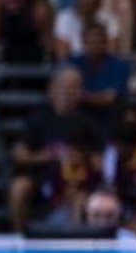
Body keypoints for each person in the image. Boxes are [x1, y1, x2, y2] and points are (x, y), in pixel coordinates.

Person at [8, 67, 103, 230]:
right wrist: (45, 156)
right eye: (63, 87)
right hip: (42, 175)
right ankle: (21, 237)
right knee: (18, 187)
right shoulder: (37, 118)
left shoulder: (88, 121)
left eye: (74, 87)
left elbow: (99, 159)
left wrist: (81, 157)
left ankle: (74, 242)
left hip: (75, 177)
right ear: (51, 89)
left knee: (78, 195)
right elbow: (19, 154)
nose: (67, 92)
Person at [68, 21, 132, 130]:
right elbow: (67, 93)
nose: (94, 46)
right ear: (83, 42)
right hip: (79, 115)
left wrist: (82, 96)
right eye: (90, 42)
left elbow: (110, 98)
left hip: (107, 116)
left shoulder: (119, 65)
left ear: (105, 43)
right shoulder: (73, 63)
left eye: (98, 42)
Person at [52, 0, 122, 59]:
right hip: (74, 66)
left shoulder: (109, 19)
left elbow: (112, 51)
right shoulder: (64, 18)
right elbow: (62, 53)